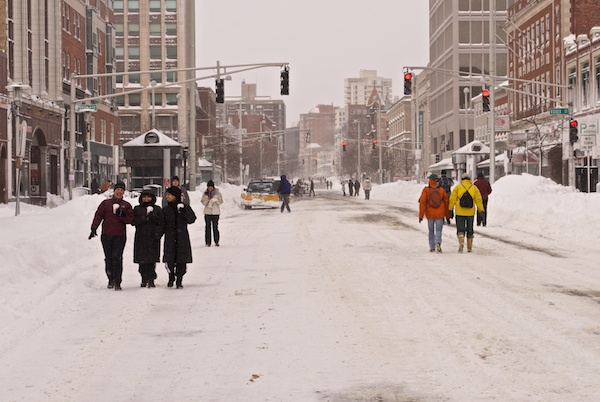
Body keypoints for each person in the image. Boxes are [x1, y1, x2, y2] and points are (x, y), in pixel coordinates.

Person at [88, 181, 134, 290]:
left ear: (124, 192)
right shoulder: (106, 203)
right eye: (118, 189)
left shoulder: (126, 205)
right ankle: (110, 278)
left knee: (117, 257)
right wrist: (94, 228)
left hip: (120, 235)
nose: (119, 192)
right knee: (108, 258)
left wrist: (122, 215)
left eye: (122, 190)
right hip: (106, 235)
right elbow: (98, 216)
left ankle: (118, 281)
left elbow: (130, 220)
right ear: (114, 191)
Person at [162, 186, 197, 288]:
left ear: (175, 195)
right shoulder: (166, 209)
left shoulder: (184, 207)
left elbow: (192, 219)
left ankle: (179, 279)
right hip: (170, 238)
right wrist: (157, 235)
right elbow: (161, 224)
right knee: (170, 260)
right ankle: (171, 276)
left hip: (182, 237)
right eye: (167, 194)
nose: (167, 196)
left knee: (181, 260)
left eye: (169, 194)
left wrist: (184, 212)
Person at [132, 190, 164, 287]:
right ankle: (143, 278)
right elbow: (133, 221)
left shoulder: (157, 209)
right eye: (144, 197)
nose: (146, 199)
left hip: (152, 237)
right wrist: (143, 218)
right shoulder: (137, 209)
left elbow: (161, 222)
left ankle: (151, 278)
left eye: (148, 197)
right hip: (141, 237)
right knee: (141, 261)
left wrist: (153, 218)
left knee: (151, 260)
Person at [448, 173, 485, 253]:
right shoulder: (474, 188)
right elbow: (478, 200)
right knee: (469, 229)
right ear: (469, 179)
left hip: (459, 212)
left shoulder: (458, 187)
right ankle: (469, 247)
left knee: (460, 229)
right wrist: (481, 210)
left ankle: (461, 241)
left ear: (462, 179)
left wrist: (450, 209)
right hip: (470, 212)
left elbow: (452, 199)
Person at [418, 173, 450, 252]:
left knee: (431, 230)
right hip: (440, 213)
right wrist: (447, 216)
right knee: (439, 230)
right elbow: (446, 202)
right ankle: (438, 242)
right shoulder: (441, 190)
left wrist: (421, 216)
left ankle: (432, 246)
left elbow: (422, 203)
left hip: (430, 214)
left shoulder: (426, 190)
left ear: (430, 180)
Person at [201, 180, 223, 247]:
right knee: (207, 227)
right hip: (207, 212)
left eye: (211, 187)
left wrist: (215, 200)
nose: (210, 188)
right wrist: (208, 200)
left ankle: (216, 241)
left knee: (215, 227)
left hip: (215, 212)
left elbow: (221, 201)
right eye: (208, 187)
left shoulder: (218, 193)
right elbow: (202, 201)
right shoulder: (205, 193)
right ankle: (208, 242)